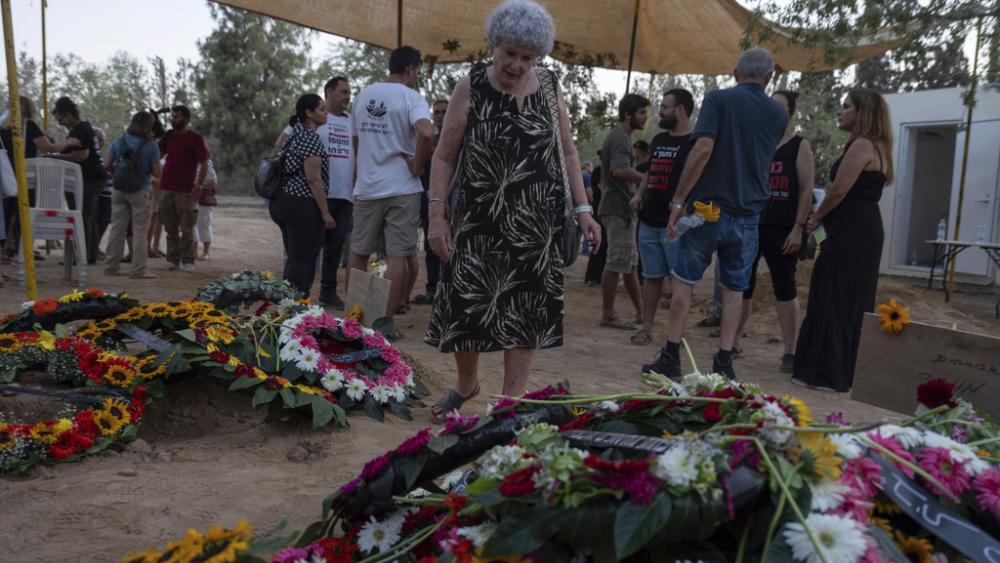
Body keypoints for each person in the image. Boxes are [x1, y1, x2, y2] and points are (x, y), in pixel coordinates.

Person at [425, 0, 600, 421]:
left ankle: (509, 404)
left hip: (536, 223)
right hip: (477, 218)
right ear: (493, 46)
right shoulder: (471, 86)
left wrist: (583, 209)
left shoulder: (550, 84)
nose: (518, 65)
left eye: (527, 57)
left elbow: (569, 150)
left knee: (524, 310)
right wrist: (436, 215)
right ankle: (467, 384)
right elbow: (444, 157)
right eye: (510, 54)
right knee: (467, 305)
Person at [643, 47, 787, 380]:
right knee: (734, 290)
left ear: (736, 73)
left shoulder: (718, 100)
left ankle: (670, 356)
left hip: (707, 211)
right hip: (748, 215)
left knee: (684, 284)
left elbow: (703, 149)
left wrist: (678, 201)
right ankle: (724, 362)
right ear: (769, 77)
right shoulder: (779, 115)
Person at [793, 89, 893, 392]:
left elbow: (837, 190)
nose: (839, 110)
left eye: (846, 106)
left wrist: (816, 217)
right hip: (863, 230)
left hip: (851, 232)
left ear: (862, 113)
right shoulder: (880, 147)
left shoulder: (862, 145)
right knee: (850, 298)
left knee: (834, 293)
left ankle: (825, 372)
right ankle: (841, 369)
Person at [348, 45, 434, 334]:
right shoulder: (412, 98)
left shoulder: (363, 96)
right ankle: (383, 325)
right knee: (397, 257)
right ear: (410, 69)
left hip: (367, 187)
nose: (416, 77)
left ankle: (354, 320)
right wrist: (417, 166)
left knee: (359, 253)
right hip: (402, 187)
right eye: (417, 71)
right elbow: (426, 132)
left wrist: (364, 170)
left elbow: (356, 142)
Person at [733, 91, 815, 372]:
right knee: (742, 285)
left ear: (790, 112)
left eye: (779, 107)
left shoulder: (799, 145)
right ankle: (733, 343)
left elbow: (806, 190)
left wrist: (798, 228)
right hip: (750, 223)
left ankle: (790, 351)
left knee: (785, 287)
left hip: (783, 228)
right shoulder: (756, 142)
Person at [628, 89, 694, 346]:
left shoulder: (696, 142)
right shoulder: (658, 140)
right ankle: (646, 328)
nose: (660, 112)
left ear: (680, 110)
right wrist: (639, 194)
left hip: (675, 226)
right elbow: (650, 171)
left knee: (680, 281)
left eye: (665, 107)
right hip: (648, 220)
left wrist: (687, 208)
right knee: (652, 277)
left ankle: (674, 336)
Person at [270, 94, 337, 296]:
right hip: (302, 205)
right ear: (309, 113)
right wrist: (325, 212)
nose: (326, 114)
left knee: (294, 257)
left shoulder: (294, 135)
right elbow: (313, 179)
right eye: (322, 109)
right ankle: (293, 307)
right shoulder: (310, 138)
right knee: (301, 259)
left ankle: (292, 304)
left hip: (283, 201)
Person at [1, 96, 80, 263]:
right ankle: (17, 247)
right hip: (23, 175)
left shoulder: (3, 125)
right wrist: (68, 143)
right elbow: (48, 147)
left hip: (5, 174)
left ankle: (5, 249)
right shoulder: (28, 125)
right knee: (23, 212)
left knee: (7, 212)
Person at [598, 93, 649, 330]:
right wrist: (647, 177)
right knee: (617, 262)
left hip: (622, 208)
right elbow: (619, 170)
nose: (645, 117)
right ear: (628, 114)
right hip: (617, 207)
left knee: (629, 265)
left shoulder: (622, 137)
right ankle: (608, 315)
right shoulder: (620, 138)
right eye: (641, 112)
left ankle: (641, 314)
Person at [44, 97, 107, 265]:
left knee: (81, 216)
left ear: (69, 115)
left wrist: (56, 156)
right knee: (88, 217)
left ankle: (81, 255)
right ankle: (88, 254)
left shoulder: (79, 130)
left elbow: (82, 155)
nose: (61, 123)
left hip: (88, 178)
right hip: (94, 177)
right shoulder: (84, 128)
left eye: (61, 119)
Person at [313, 77, 356, 309]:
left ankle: (327, 293)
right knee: (311, 245)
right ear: (329, 92)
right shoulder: (316, 117)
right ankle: (298, 294)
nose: (348, 96)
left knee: (335, 246)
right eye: (343, 92)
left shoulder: (352, 121)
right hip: (319, 194)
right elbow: (283, 143)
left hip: (345, 194)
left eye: (349, 92)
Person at [102, 111, 161, 279]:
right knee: (140, 230)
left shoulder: (119, 141)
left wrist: (119, 172)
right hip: (140, 190)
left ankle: (111, 267)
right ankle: (138, 270)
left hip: (118, 189)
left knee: (117, 229)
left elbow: (107, 165)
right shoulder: (151, 145)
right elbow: (157, 172)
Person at [158, 105, 209, 272]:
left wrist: (199, 185)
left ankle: (188, 260)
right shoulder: (168, 136)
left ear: (186, 119)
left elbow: (204, 163)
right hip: (165, 187)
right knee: (170, 227)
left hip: (186, 190)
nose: (173, 120)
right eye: (172, 117)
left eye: (177, 117)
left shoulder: (195, 138)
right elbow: (157, 154)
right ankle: (172, 259)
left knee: (187, 227)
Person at [412, 98, 449, 306]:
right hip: (429, 201)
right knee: (431, 245)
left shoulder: (459, 137)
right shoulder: (429, 141)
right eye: (437, 112)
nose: (441, 115)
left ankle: (449, 289)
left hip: (454, 202)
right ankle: (432, 289)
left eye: (444, 111)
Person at [584, 157, 606, 286]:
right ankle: (593, 277)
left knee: (602, 245)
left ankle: (597, 276)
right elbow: (602, 189)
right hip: (600, 211)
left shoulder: (602, 170)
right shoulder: (600, 171)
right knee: (599, 244)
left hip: (602, 210)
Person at [192, 159, 218, 260]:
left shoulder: (206, 163)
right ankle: (193, 251)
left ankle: (205, 252)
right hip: (191, 197)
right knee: (192, 224)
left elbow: (213, 183)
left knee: (204, 224)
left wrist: (198, 185)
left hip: (203, 198)